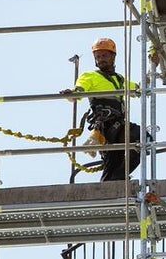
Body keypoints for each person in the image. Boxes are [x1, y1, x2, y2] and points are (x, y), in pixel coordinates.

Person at [61, 37, 142, 181]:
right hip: (107, 126)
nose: (101, 59)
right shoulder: (90, 76)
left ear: (113, 56)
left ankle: (115, 181)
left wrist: (150, 75)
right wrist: (72, 93)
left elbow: (138, 89)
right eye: (98, 57)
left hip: (118, 125)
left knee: (125, 153)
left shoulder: (119, 80)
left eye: (104, 55)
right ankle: (116, 180)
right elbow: (79, 89)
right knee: (133, 144)